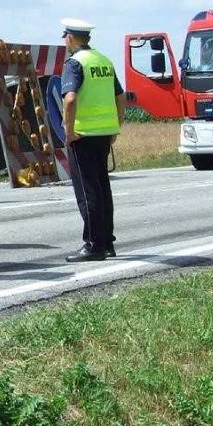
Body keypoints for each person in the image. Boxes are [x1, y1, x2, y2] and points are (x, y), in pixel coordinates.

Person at [60, 18, 126, 262]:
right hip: (104, 135)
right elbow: (120, 97)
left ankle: (93, 244)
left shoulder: (75, 63)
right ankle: (107, 242)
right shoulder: (104, 61)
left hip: (83, 134)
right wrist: (116, 127)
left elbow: (69, 99)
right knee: (102, 188)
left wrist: (68, 130)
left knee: (87, 192)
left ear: (70, 37)